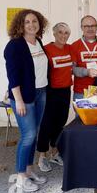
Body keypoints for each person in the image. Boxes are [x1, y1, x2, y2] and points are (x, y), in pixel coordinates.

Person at [4, 9, 49, 192]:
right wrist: (19, 100)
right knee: (28, 135)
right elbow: (13, 76)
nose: (31, 24)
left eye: (35, 21)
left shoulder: (38, 42)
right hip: (24, 97)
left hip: (41, 93)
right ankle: (21, 178)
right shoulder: (14, 45)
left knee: (35, 134)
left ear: (40, 24)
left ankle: (29, 171)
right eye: (27, 22)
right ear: (20, 25)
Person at [37, 22, 72, 172]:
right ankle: (42, 156)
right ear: (54, 33)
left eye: (66, 33)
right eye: (60, 32)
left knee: (60, 123)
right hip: (50, 91)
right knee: (46, 124)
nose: (63, 36)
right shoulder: (46, 50)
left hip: (65, 90)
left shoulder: (70, 48)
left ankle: (55, 152)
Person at [71, 15, 97, 100]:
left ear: (96, 27)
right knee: (81, 114)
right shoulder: (74, 46)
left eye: (93, 26)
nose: (90, 28)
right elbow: (72, 69)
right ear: (82, 28)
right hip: (81, 91)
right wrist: (86, 72)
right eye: (86, 26)